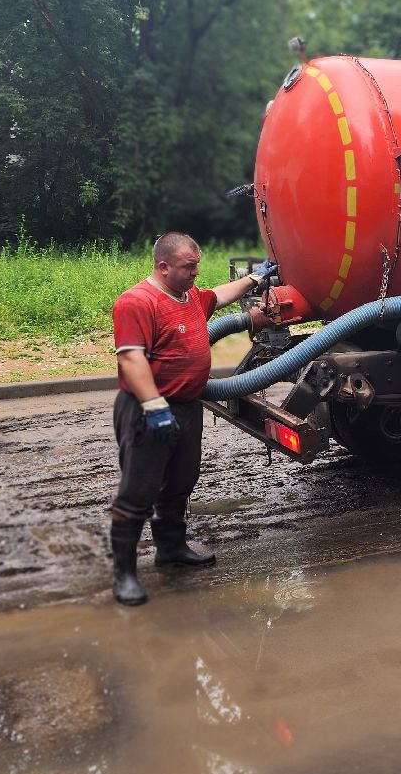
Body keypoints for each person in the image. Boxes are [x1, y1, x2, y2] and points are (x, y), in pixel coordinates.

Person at [109, 233, 276, 606]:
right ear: (163, 266)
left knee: (182, 482)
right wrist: (154, 407)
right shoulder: (137, 302)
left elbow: (220, 294)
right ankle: (124, 574)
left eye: (198, 265)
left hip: (186, 407)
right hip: (147, 409)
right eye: (189, 267)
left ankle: (171, 548)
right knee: (139, 490)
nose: (196, 273)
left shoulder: (192, 298)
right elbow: (131, 359)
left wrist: (256, 278)